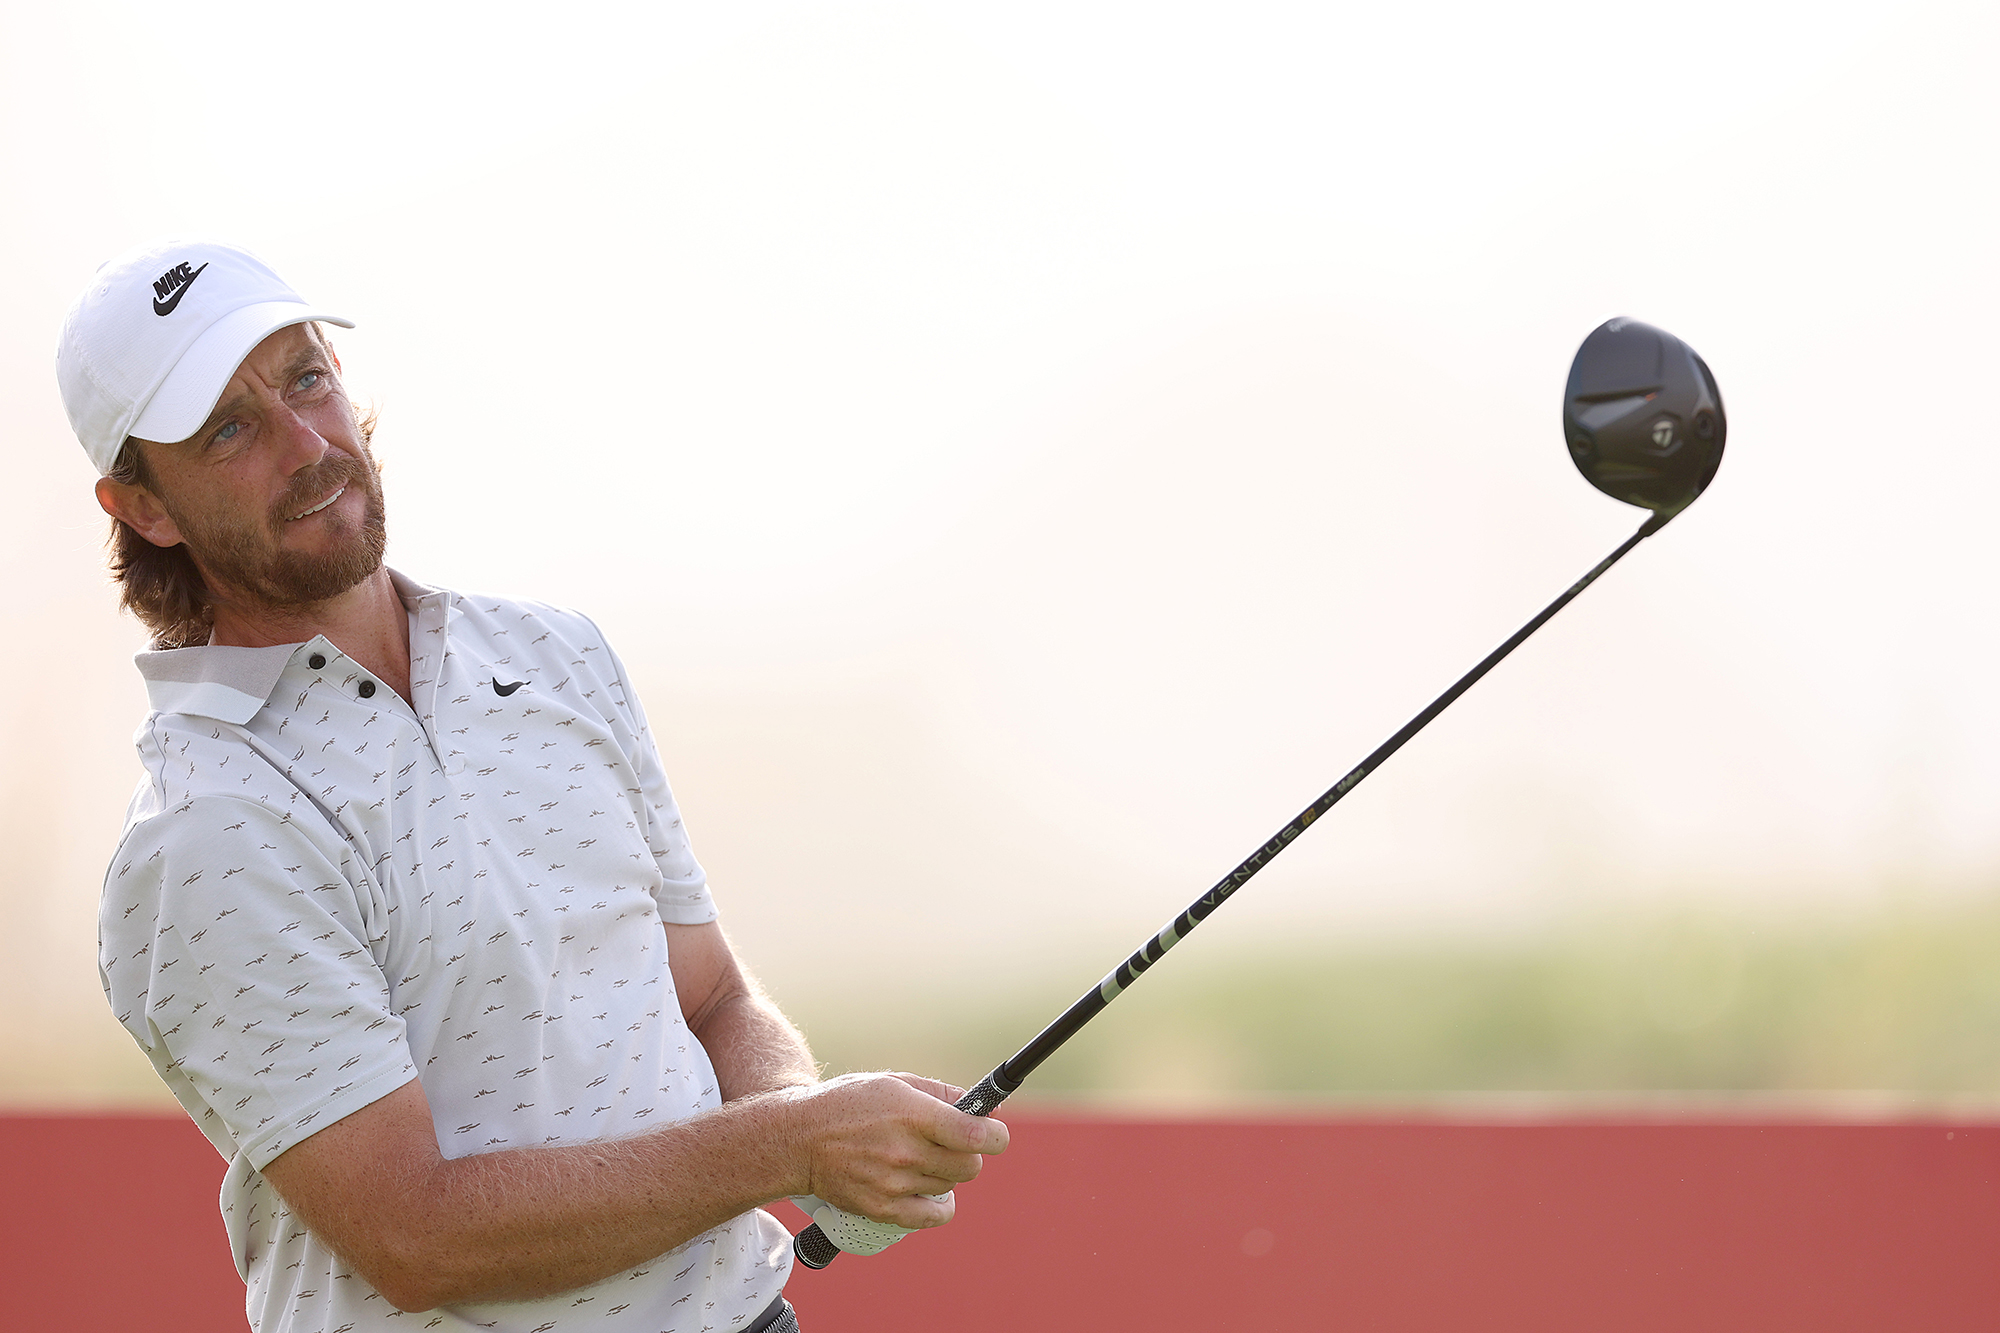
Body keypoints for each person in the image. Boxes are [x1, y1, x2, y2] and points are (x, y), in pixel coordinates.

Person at [64, 239, 1007, 1333]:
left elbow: (709, 999)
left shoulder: (555, 654)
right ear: (144, 507)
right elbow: (418, 1236)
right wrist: (786, 1143)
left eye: (307, 377)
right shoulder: (206, 832)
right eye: (230, 427)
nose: (306, 443)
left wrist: (818, 1137)